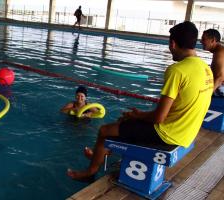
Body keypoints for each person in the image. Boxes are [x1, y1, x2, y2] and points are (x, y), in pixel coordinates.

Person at [67, 21, 214, 180]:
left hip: (168, 134)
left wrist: (137, 115)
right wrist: (139, 116)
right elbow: (176, 109)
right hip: (187, 132)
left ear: (173, 43)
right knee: (124, 122)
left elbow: (159, 118)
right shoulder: (206, 68)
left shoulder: (177, 70)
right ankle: (101, 153)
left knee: (104, 130)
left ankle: (90, 172)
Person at [200, 29, 224, 96]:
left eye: (203, 39)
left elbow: (220, 77)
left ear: (213, 40)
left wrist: (207, 95)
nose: (201, 41)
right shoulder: (218, 51)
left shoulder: (220, 52)